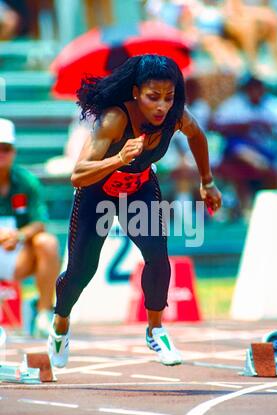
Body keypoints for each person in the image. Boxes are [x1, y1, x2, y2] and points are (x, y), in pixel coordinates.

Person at [47, 54, 222, 368]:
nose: (161, 107)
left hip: (138, 189)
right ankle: (60, 322)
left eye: (168, 98)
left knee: (157, 256)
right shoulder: (115, 119)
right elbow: (78, 174)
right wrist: (118, 159)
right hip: (96, 192)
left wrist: (207, 182)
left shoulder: (175, 116)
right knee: (80, 272)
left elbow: (197, 136)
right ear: (136, 92)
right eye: (152, 97)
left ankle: (155, 329)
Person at [0, 118, 61, 337]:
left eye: (5, 148)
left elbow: (39, 221)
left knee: (48, 242)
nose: (1, 154)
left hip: (18, 254)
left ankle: (44, 314)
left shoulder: (27, 181)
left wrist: (19, 236)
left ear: (13, 151)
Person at [212, 74, 277, 215]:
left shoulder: (274, 106)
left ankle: (267, 209)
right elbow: (215, 126)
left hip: (266, 149)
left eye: (258, 86)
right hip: (238, 153)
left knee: (270, 168)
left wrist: (270, 128)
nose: (255, 90)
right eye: (251, 87)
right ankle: (245, 207)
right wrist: (243, 126)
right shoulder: (234, 105)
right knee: (238, 154)